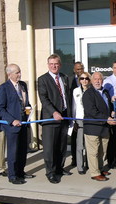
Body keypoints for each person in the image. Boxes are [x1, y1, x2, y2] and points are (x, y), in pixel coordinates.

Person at [0, 64, 35, 184]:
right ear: (10, 74)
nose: (19, 74)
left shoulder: (22, 85)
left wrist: (28, 109)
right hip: (12, 125)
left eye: (20, 72)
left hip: (23, 123)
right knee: (13, 151)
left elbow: (25, 102)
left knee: (23, 150)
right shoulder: (4, 88)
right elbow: (0, 108)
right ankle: (12, 175)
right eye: (17, 73)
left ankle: (20, 172)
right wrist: (12, 120)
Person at [38, 54, 72, 184]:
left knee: (61, 146)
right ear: (48, 65)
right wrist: (54, 112)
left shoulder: (64, 78)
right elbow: (44, 99)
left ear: (60, 65)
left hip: (64, 117)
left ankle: (59, 168)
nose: (54, 66)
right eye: (51, 64)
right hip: (50, 119)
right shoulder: (42, 79)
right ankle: (50, 172)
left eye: (56, 64)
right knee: (50, 148)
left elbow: (66, 97)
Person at [82, 72, 116, 181]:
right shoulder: (88, 94)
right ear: (91, 81)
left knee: (103, 151)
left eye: (99, 79)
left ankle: (100, 168)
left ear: (103, 81)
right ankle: (94, 173)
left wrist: (112, 113)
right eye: (95, 79)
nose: (97, 81)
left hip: (104, 128)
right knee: (93, 152)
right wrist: (106, 118)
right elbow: (91, 111)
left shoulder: (105, 92)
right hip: (93, 127)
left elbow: (108, 106)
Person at [103, 61, 116, 169]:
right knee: (112, 137)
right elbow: (104, 96)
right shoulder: (108, 81)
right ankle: (111, 161)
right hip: (112, 111)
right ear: (112, 68)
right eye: (114, 68)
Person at [72, 72, 91, 175]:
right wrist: (74, 120)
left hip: (90, 120)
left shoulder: (92, 91)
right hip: (79, 119)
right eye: (82, 78)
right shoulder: (76, 91)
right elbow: (74, 106)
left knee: (89, 144)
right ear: (79, 80)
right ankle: (80, 166)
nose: (84, 80)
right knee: (80, 144)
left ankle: (89, 163)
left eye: (86, 78)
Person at [69, 62, 85, 167]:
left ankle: (86, 160)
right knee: (74, 138)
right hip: (74, 114)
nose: (79, 71)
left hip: (85, 116)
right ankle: (74, 159)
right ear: (74, 70)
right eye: (77, 69)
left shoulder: (86, 78)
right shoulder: (69, 80)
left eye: (81, 69)